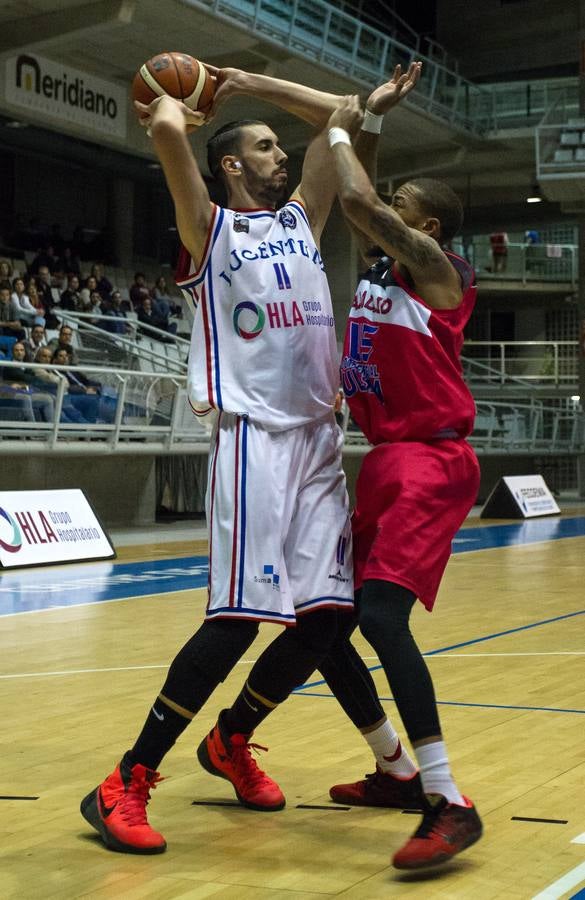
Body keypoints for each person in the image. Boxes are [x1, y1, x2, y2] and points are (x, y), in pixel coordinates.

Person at [79, 69, 357, 856]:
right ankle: (124, 780)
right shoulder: (209, 231)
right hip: (255, 442)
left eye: (279, 147)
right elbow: (169, 132)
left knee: (329, 620)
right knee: (237, 619)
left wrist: (243, 83)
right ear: (231, 166)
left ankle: (231, 736)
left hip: (320, 446)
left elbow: (341, 114)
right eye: (264, 147)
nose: (280, 154)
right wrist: (180, 104)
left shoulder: (303, 221)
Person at [311, 85, 483, 870]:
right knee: (324, 624)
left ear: (428, 227)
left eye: (402, 202)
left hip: (430, 459)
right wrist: (370, 119)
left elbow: (356, 197)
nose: (388, 203)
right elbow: (367, 199)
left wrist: (338, 133)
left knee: (381, 620)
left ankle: (448, 800)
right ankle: (395, 770)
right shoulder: (392, 257)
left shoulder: (437, 270)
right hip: (384, 459)